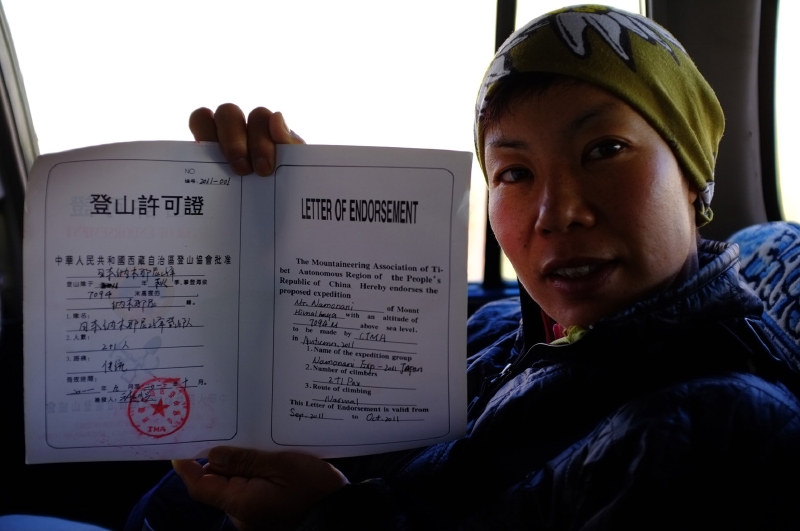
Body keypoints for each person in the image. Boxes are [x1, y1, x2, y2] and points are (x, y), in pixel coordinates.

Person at [125, 5, 800, 530]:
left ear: (693, 176)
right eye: (514, 172)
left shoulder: (718, 428)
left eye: (604, 150)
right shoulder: (507, 332)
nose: (556, 213)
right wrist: (296, 238)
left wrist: (326, 519)